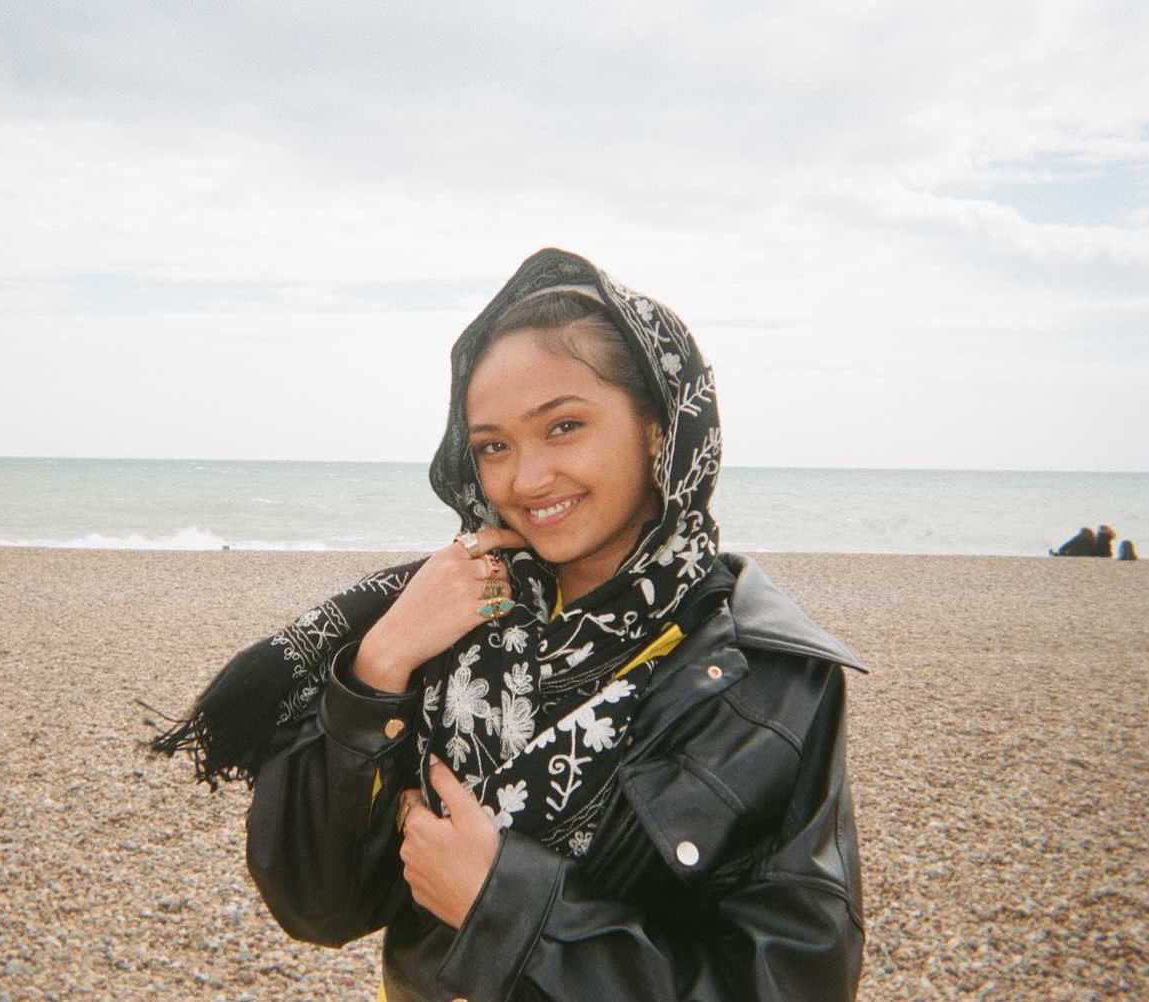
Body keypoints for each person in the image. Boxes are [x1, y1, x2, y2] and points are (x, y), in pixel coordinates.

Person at [142, 248, 868, 1001]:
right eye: (493, 445)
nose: (525, 480)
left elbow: (792, 979)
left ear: (660, 426)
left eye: (563, 427)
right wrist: (378, 665)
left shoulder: (771, 680)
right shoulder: (452, 622)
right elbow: (319, 906)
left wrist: (506, 906)